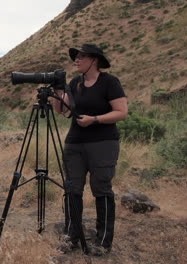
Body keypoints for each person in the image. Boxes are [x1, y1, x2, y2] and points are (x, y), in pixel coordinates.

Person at [50, 43, 128, 256]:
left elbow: (121, 112)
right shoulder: (75, 83)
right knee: (72, 188)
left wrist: (94, 119)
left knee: (101, 188)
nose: (76, 60)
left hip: (103, 142)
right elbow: (62, 111)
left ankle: (103, 242)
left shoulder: (109, 82)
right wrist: (58, 90)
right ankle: (72, 236)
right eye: (75, 57)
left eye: (81, 56)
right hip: (75, 142)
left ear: (94, 60)